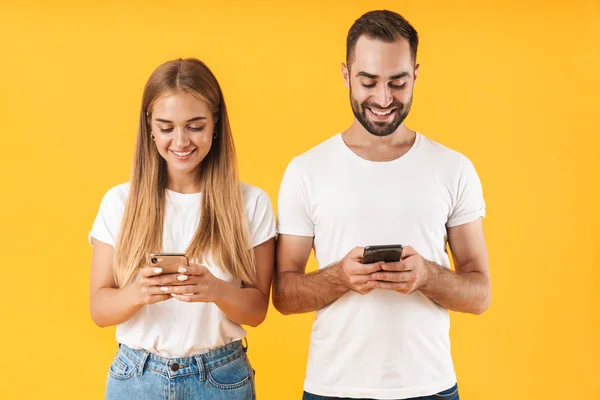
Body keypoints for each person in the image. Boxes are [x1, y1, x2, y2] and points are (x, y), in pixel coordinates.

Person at [274, 10, 490, 400]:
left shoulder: (453, 168)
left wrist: (428, 276)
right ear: (345, 75)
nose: (383, 98)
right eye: (368, 81)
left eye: (397, 82)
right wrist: (340, 277)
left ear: (416, 75)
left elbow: (480, 294)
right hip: (332, 388)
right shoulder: (306, 170)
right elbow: (285, 295)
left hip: (430, 387)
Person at [89, 58, 275, 400]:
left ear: (215, 123)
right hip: (135, 379)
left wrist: (217, 290)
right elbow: (99, 310)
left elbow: (257, 310)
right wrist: (137, 294)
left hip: (222, 379)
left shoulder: (251, 203)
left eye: (195, 125)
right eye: (166, 126)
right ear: (150, 128)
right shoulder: (120, 202)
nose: (181, 141)